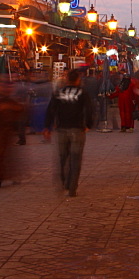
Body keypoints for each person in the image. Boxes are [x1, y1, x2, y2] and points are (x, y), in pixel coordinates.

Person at [43, 69, 93, 197]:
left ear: (67, 79)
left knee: (62, 157)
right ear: (77, 80)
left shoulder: (58, 93)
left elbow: (51, 110)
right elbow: (89, 109)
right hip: (77, 129)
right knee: (76, 158)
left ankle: (64, 181)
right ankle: (72, 188)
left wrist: (47, 127)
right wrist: (88, 124)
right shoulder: (82, 93)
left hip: (61, 129)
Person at [0, 78, 26, 189]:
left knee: (1, 156)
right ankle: (1, 177)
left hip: (4, 133)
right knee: (0, 156)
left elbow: (21, 110)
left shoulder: (8, 101)